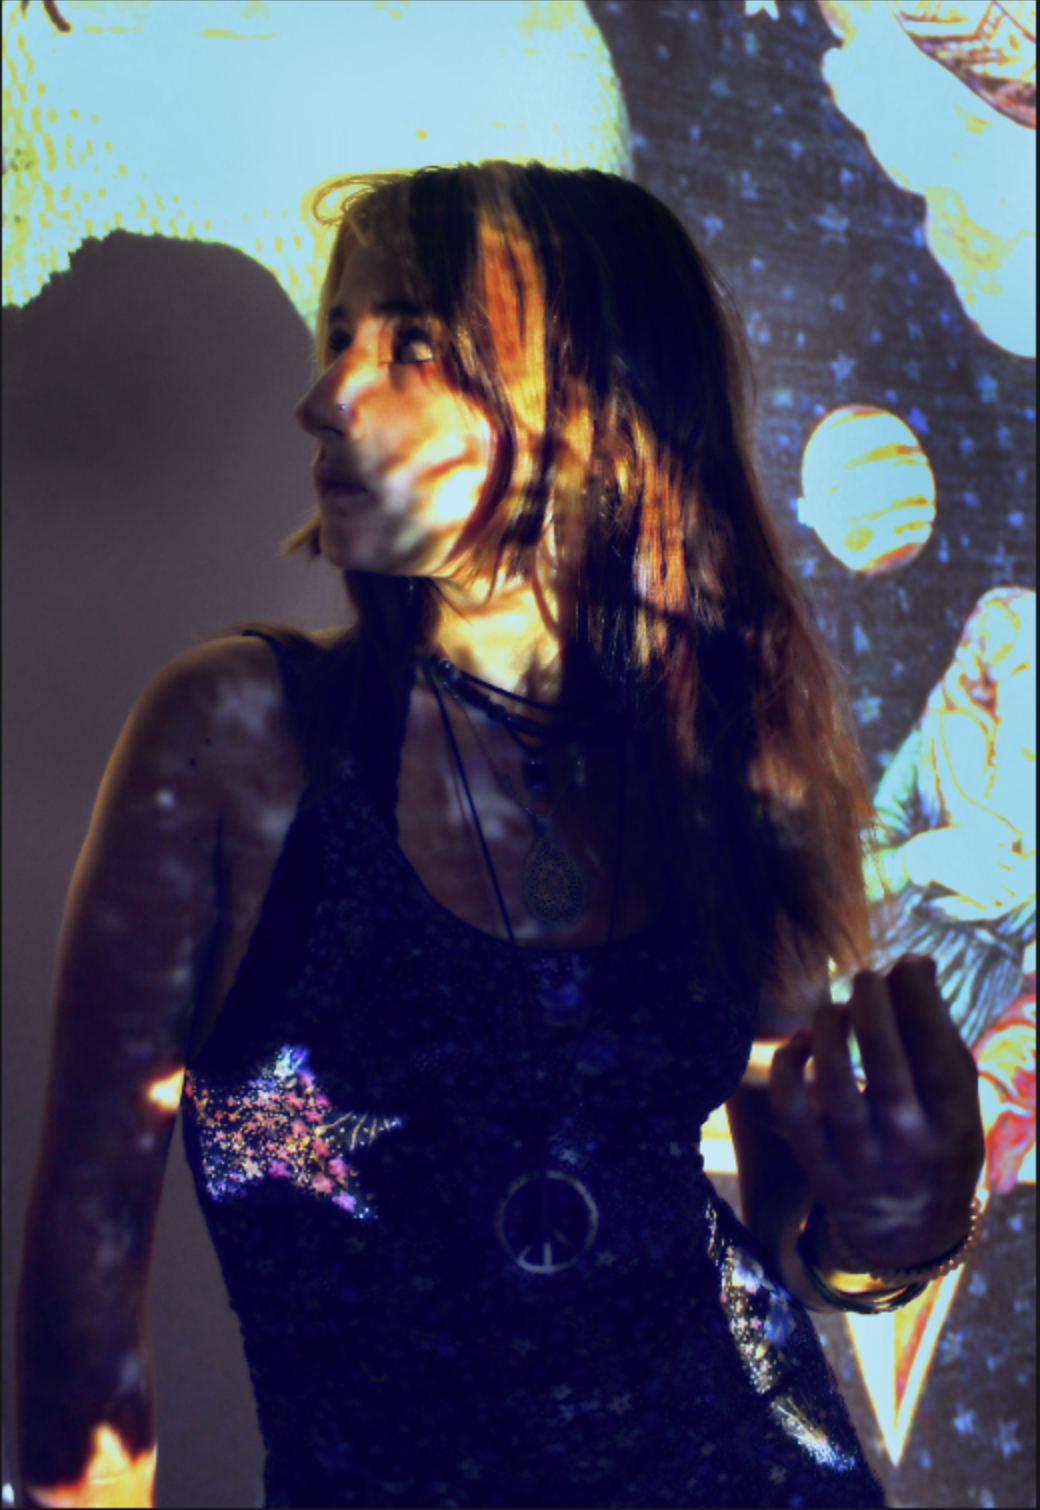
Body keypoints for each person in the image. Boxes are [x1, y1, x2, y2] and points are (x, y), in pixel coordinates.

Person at [15, 161, 985, 1510]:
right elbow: (85, 1266)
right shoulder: (240, 734)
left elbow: (786, 1244)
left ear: (593, 400)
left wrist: (901, 1226)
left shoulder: (726, 761)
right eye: (339, 335)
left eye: (410, 341)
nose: (324, 395)